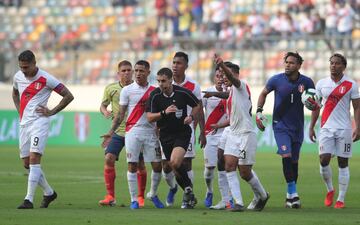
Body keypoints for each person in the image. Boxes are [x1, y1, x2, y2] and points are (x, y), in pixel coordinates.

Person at [12, 50, 74, 209]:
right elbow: (15, 93)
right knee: (27, 163)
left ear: (34, 63)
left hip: (40, 122)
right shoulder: (18, 76)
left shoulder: (47, 79)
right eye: (21, 67)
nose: (24, 71)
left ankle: (28, 200)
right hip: (25, 124)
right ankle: (49, 192)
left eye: (26, 67)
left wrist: (52, 111)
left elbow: (68, 95)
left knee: (34, 159)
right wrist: (20, 110)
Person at [256, 52, 315, 208]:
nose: (288, 65)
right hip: (280, 125)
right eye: (286, 62)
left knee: (294, 162)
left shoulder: (307, 82)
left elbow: (316, 103)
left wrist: (314, 114)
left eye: (292, 63)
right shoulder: (276, 80)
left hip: (298, 127)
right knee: (286, 155)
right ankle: (294, 194)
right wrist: (259, 111)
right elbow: (263, 93)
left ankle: (290, 197)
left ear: (299, 65)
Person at [102, 60, 163, 209]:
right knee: (132, 164)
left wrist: (159, 130)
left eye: (141, 71)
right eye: (136, 71)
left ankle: (152, 194)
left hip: (150, 132)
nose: (137, 73)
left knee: (157, 166)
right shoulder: (127, 91)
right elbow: (120, 114)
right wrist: (110, 132)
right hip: (132, 132)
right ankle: (134, 200)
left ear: (148, 72)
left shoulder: (155, 91)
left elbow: (159, 114)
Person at [213, 55, 269, 212]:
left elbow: (232, 78)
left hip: (246, 134)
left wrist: (222, 65)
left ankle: (263, 195)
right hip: (233, 134)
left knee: (244, 172)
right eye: (222, 75)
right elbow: (230, 107)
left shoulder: (241, 85)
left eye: (226, 74)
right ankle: (238, 202)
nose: (224, 78)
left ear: (235, 74)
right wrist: (213, 95)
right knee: (229, 166)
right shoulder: (231, 92)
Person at [309, 53, 360, 209]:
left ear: (343, 66)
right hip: (326, 127)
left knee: (343, 162)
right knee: (324, 160)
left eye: (337, 63)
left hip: (344, 127)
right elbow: (316, 107)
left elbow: (357, 107)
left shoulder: (351, 84)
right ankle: (330, 190)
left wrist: (358, 126)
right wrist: (311, 126)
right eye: (331, 63)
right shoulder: (321, 83)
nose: (333, 65)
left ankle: (341, 199)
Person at [146, 67, 202, 209]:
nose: (160, 84)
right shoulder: (155, 95)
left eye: (163, 81)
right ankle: (188, 192)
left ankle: (188, 190)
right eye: (158, 81)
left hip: (182, 133)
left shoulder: (182, 92)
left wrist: (191, 117)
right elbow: (149, 117)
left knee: (175, 163)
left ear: (171, 80)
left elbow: (197, 105)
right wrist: (164, 112)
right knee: (173, 167)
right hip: (165, 135)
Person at [98, 60, 148, 207]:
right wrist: (105, 111)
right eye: (123, 70)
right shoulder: (111, 88)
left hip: (135, 131)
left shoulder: (138, 88)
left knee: (139, 164)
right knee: (109, 158)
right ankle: (110, 196)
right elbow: (102, 105)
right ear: (118, 73)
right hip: (119, 132)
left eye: (129, 70)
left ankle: (140, 197)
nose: (126, 73)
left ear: (133, 72)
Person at [162, 51, 206, 207]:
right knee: (167, 166)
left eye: (179, 63)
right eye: (173, 62)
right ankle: (173, 187)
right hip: (167, 131)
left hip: (185, 131)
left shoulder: (193, 86)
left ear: (186, 66)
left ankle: (188, 197)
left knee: (186, 164)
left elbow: (199, 108)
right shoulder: (164, 83)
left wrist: (202, 131)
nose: (175, 66)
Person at [201, 65, 229, 208]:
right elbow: (200, 113)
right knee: (209, 170)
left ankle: (226, 198)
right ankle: (209, 190)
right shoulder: (207, 93)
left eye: (223, 76)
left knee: (224, 168)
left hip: (226, 135)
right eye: (218, 76)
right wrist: (200, 133)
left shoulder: (231, 93)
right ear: (214, 77)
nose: (220, 79)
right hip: (210, 135)